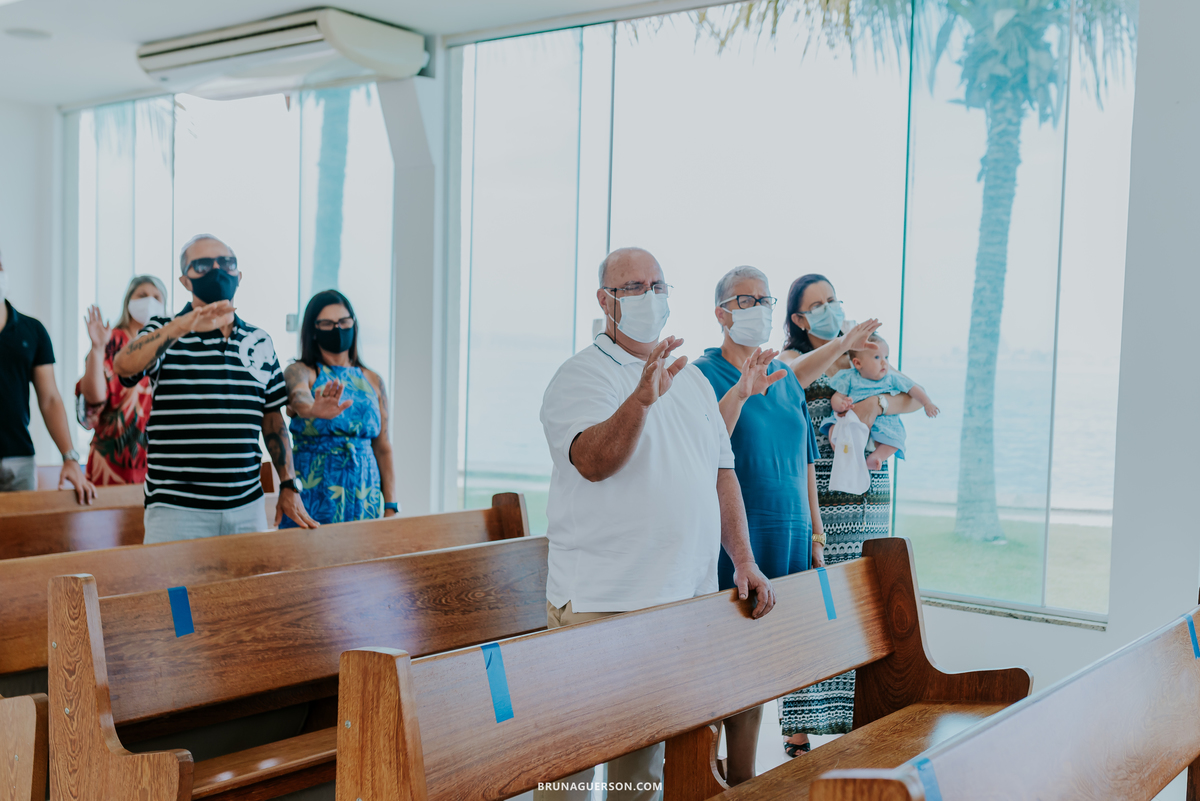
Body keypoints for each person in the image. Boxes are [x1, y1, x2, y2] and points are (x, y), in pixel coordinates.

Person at [537, 247, 775, 801]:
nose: (650, 297)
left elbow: (721, 474)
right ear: (605, 301)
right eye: (634, 287)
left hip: (674, 604)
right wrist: (640, 402)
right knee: (568, 769)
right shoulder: (580, 377)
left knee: (636, 775)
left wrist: (743, 560)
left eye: (658, 286)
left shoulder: (690, 381)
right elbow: (594, 463)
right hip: (601, 602)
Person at [775, 273, 924, 756]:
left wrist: (874, 402)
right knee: (813, 602)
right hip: (818, 493)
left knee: (862, 604)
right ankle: (797, 728)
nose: (829, 308)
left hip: (868, 491)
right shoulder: (793, 361)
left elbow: (906, 397)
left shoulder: (862, 357)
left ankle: (857, 717)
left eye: (832, 299)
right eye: (816, 304)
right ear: (798, 318)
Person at [692, 266, 828, 785]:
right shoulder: (704, 374)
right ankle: (724, 778)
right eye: (745, 300)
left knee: (763, 668)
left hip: (791, 537)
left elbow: (808, 458)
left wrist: (817, 534)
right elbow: (708, 447)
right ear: (722, 312)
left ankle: (741, 777)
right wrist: (744, 394)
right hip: (740, 540)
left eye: (764, 299)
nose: (758, 308)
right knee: (727, 666)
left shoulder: (787, 378)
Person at [113, 234, 317, 542]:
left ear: (239, 275)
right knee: (174, 592)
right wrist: (181, 325)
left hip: (246, 506)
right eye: (203, 265)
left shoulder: (258, 341)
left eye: (227, 263)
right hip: (177, 510)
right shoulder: (165, 331)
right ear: (185, 280)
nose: (217, 270)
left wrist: (288, 484)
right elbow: (123, 365)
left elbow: (273, 420)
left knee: (244, 592)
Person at [280, 290, 397, 526]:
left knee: (364, 562)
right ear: (313, 331)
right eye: (327, 323)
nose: (337, 329)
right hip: (314, 492)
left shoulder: (373, 380)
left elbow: (383, 448)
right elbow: (298, 397)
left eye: (344, 322)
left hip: (365, 493)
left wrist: (391, 506)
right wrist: (314, 409)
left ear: (354, 324)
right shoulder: (301, 371)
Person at [0, 250, 96, 503]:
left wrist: (70, 457)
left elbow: (50, 399)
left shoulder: (33, 331)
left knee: (19, 540)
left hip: (19, 460)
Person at [75, 275, 168, 485]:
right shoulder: (111, 341)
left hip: (157, 461)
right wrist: (97, 349)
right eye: (142, 295)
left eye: (156, 297)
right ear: (128, 301)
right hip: (111, 459)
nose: (149, 301)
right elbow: (93, 399)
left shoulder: (168, 345)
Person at [828, 334, 939, 471]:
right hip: (854, 418)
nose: (884, 362)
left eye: (886, 357)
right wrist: (840, 404)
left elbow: (913, 388)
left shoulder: (891, 378)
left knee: (893, 440)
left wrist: (927, 403)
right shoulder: (850, 377)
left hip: (884, 422)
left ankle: (876, 458)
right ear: (858, 363)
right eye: (877, 357)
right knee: (833, 428)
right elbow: (838, 396)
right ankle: (841, 453)